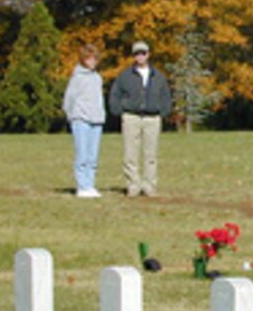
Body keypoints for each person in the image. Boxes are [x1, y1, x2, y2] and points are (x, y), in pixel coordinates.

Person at [107, 41, 173, 197]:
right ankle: (133, 185)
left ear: (148, 55)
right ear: (133, 56)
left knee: (151, 155)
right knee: (130, 154)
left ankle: (149, 185)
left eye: (143, 53)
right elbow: (115, 94)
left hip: (152, 118)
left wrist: (162, 112)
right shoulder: (125, 76)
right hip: (131, 117)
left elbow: (166, 96)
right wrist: (119, 110)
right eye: (137, 53)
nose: (140, 56)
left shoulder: (158, 76)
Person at [62, 43, 105, 198]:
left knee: (93, 155)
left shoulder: (97, 78)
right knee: (82, 154)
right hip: (80, 119)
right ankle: (82, 186)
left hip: (97, 119)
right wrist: (71, 115)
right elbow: (69, 98)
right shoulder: (77, 77)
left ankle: (90, 184)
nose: (92, 61)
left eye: (94, 58)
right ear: (83, 59)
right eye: (89, 58)